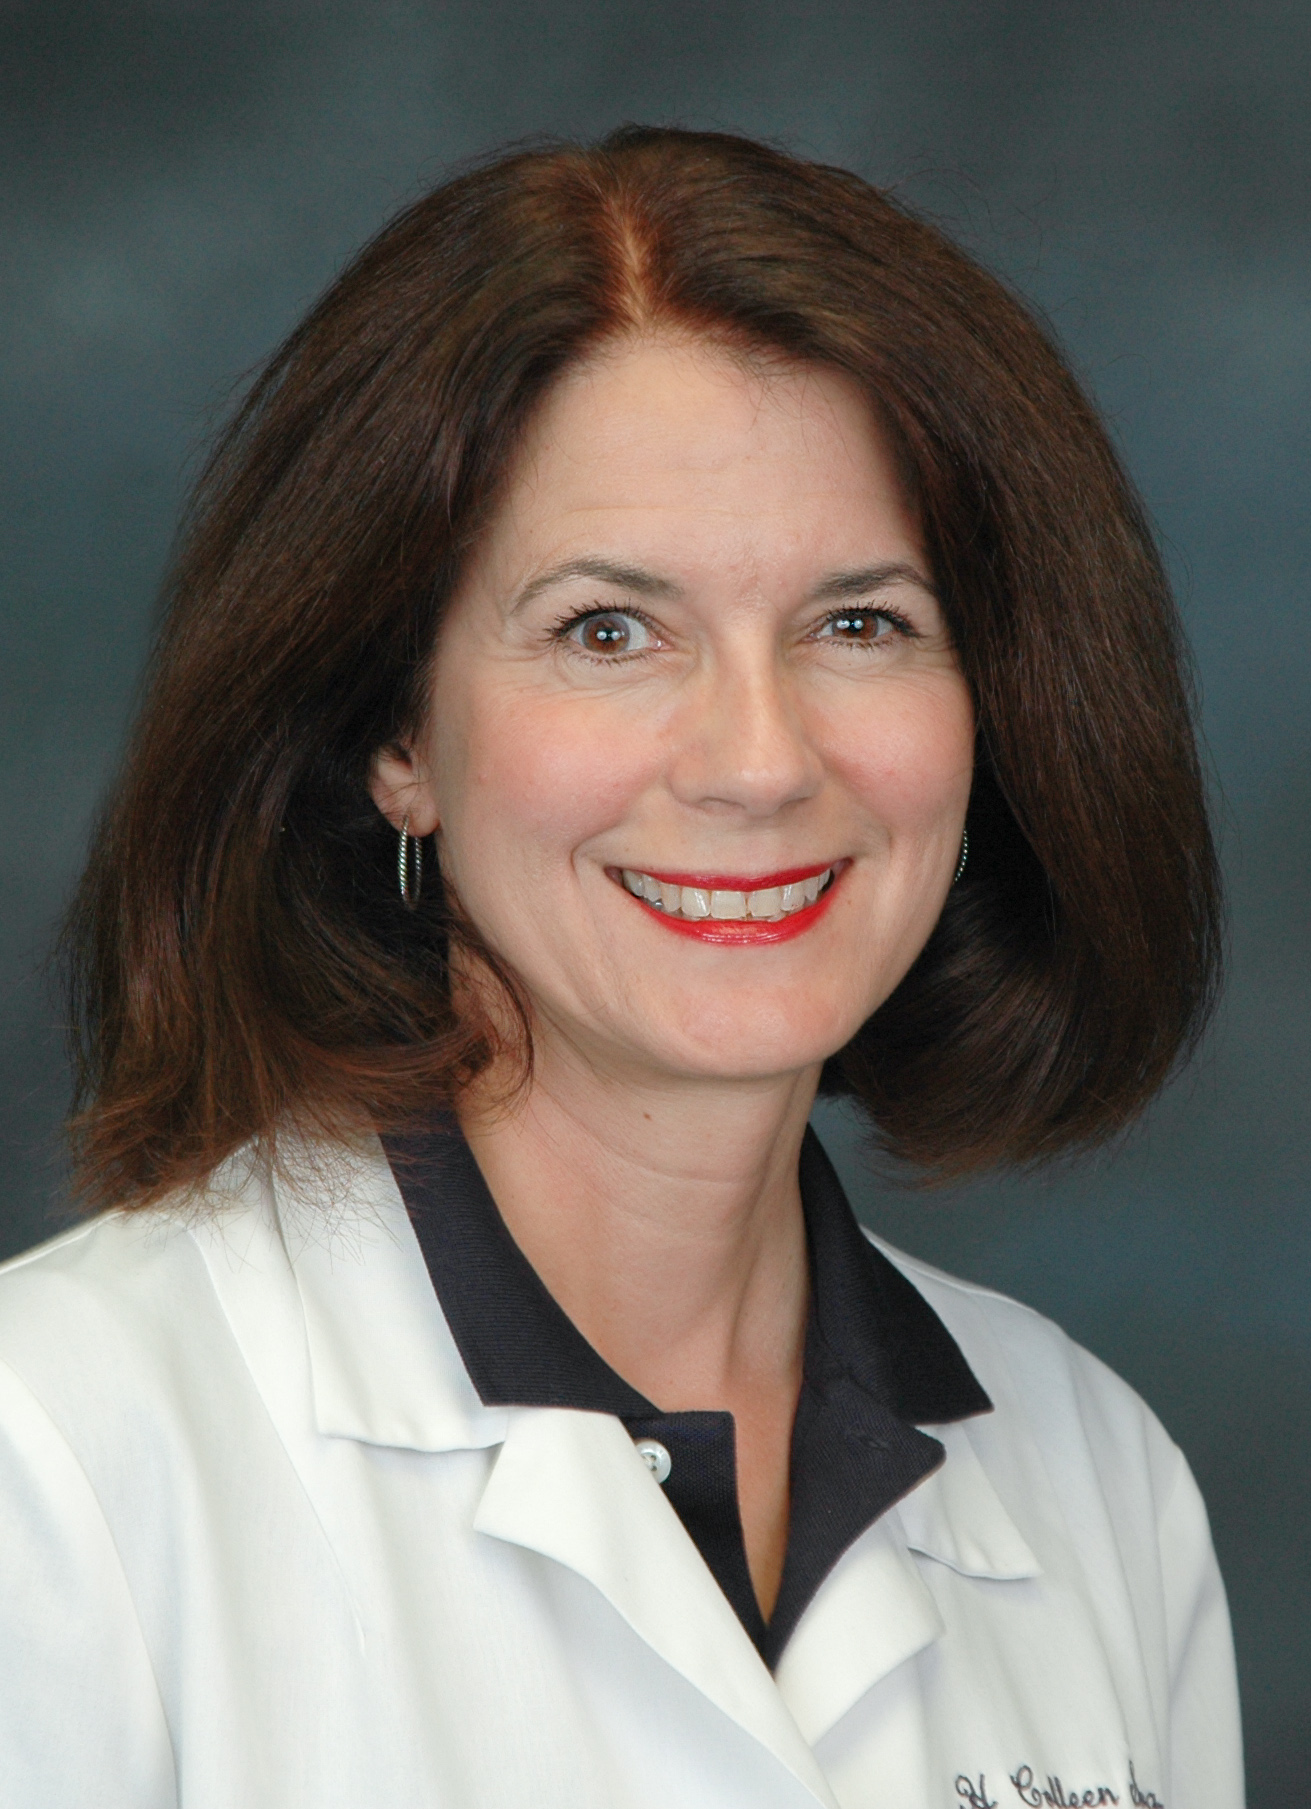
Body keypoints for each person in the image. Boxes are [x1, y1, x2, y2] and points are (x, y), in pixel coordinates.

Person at [0, 127, 1241, 1808]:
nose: (756, 758)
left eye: (860, 622)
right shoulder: (59, 1462)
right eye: (608, 630)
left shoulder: (1100, 1484)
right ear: (394, 738)